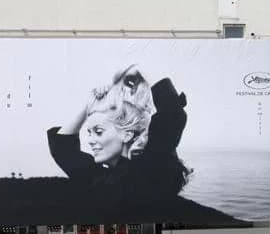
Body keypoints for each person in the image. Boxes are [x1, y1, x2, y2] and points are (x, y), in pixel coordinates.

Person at [48, 65, 208, 214]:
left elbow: (172, 113)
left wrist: (137, 69)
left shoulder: (153, 165)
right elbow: (63, 150)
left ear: (127, 134)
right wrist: (89, 104)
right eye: (89, 132)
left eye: (98, 131)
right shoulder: (103, 178)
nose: (90, 140)